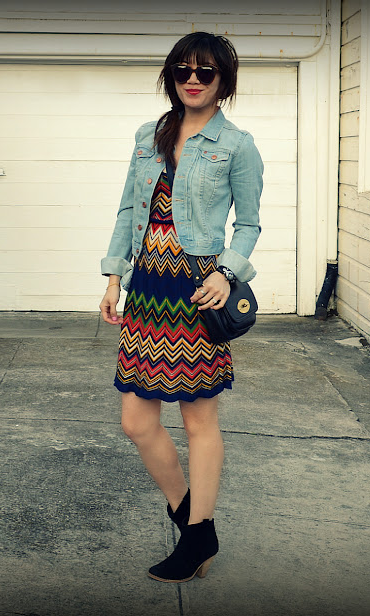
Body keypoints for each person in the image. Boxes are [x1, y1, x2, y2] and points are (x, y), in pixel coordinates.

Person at [99, 31, 263, 583]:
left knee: (198, 420)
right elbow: (129, 210)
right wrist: (113, 278)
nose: (193, 80)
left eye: (206, 72)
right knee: (135, 420)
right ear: (171, 77)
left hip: (197, 289)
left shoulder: (237, 145)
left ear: (223, 82)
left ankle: (196, 533)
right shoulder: (149, 135)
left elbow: (249, 225)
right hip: (147, 288)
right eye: (183, 71)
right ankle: (195, 525)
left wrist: (226, 272)